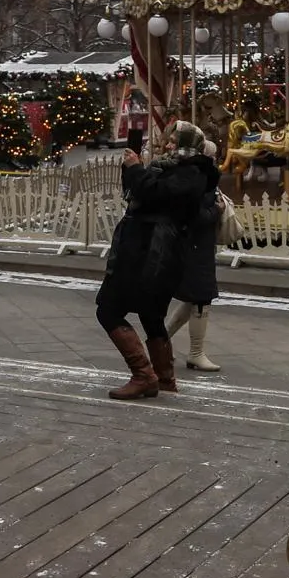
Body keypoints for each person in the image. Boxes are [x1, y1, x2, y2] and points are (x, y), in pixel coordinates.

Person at [97, 121, 214, 401]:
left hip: (153, 255)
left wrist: (138, 169)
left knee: (108, 310)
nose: (168, 145)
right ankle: (164, 379)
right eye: (169, 140)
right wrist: (131, 169)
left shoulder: (192, 173)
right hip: (146, 252)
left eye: (175, 141)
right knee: (151, 316)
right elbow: (136, 194)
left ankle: (143, 375)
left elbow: (155, 195)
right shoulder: (170, 168)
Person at [164, 139, 223, 373]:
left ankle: (160, 341)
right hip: (196, 248)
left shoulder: (195, 178)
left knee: (193, 299)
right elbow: (194, 216)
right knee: (201, 298)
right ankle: (196, 353)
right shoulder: (198, 181)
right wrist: (216, 211)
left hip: (198, 247)